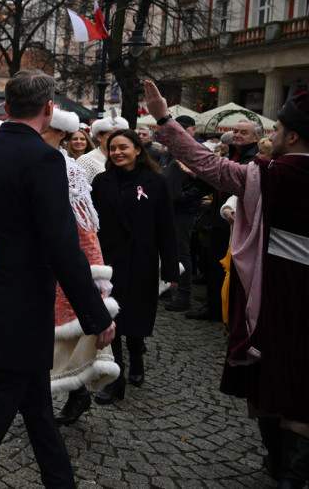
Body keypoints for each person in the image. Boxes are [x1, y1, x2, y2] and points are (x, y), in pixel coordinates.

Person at [0, 69, 114, 489]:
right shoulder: (46, 159)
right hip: (20, 312)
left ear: (6, 107)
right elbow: (62, 245)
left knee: (37, 408)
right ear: (49, 110)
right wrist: (97, 316)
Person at [145, 80, 309, 485]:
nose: (270, 135)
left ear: (293, 134)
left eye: (275, 130)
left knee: (273, 373)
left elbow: (207, 164)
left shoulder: (273, 173)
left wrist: (165, 119)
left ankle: (282, 469)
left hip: (278, 286)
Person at [90, 129, 179, 405]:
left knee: (137, 317)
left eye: (123, 147)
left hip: (142, 259)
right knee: (112, 318)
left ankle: (137, 356)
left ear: (138, 149)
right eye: (113, 148)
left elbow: (166, 227)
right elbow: (92, 227)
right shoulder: (102, 181)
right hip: (110, 262)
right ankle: (116, 378)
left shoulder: (156, 182)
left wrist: (172, 270)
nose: (117, 153)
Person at [187, 119, 260, 323]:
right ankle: (214, 306)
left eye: (243, 132)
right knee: (215, 264)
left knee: (228, 267)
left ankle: (222, 309)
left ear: (257, 137)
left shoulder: (254, 159)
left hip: (237, 222)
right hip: (219, 219)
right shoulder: (231, 155)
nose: (237, 135)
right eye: (235, 131)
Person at [161, 115, 213, 313]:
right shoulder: (171, 150)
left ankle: (183, 296)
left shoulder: (197, 151)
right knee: (167, 249)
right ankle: (166, 287)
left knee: (182, 252)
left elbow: (206, 182)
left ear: (190, 130)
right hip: (168, 208)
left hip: (183, 211)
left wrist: (184, 196)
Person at [76, 116, 129, 184]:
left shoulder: (124, 159)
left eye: (120, 135)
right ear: (99, 137)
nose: (117, 138)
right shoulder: (85, 161)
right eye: (112, 135)